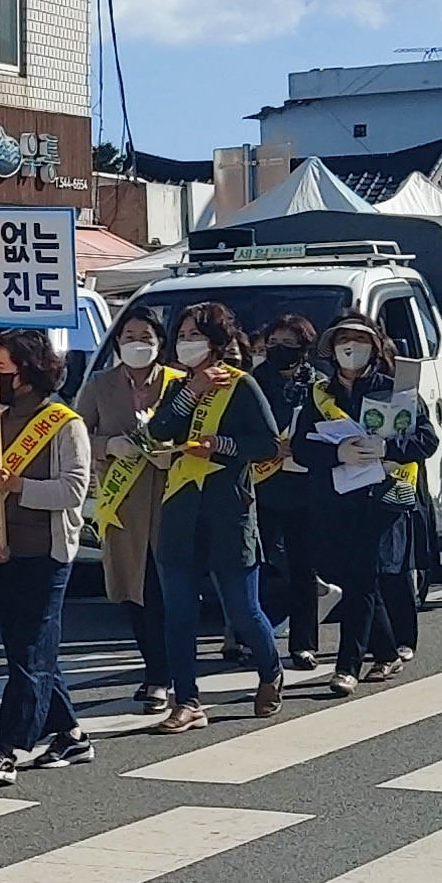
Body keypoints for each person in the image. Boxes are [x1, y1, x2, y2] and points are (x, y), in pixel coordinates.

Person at [143, 300, 284, 730]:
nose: (186, 344)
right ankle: (187, 699)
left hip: (229, 508)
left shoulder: (242, 386)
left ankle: (270, 670)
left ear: (217, 342)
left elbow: (267, 444)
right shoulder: (177, 388)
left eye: (195, 336)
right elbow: (159, 430)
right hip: (180, 507)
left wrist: (220, 446)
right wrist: (192, 392)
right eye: (182, 336)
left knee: (242, 607)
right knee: (178, 610)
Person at [0, 326, 93, 782]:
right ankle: (71, 734)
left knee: (32, 653)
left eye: (1, 367)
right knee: (28, 651)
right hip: (1, 552)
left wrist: (19, 486)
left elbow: (73, 490)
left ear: (27, 372)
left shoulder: (65, 425)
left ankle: (6, 747)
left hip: (46, 554)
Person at [306, 313, 439, 687]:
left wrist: (389, 446)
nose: (351, 347)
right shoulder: (320, 394)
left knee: (363, 576)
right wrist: (338, 454)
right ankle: (385, 651)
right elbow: (302, 447)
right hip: (337, 497)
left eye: (360, 339)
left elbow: (427, 440)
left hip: (385, 495)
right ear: (331, 348)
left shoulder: (395, 390)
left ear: (375, 347)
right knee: (350, 576)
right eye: (343, 339)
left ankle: (346, 667)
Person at [78, 305, 178, 714]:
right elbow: (78, 433)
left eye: (146, 337)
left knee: (168, 589)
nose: (138, 344)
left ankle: (167, 673)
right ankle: (155, 671)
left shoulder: (178, 383)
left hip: (172, 496)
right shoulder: (101, 384)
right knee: (134, 590)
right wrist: (108, 446)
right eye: (129, 336)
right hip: (122, 503)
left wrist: (171, 450)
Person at [247, 314, 332, 671]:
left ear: (304, 347)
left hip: (304, 484)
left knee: (302, 566)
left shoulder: (319, 384)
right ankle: (258, 638)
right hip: (260, 483)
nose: (279, 350)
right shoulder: (253, 382)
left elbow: (332, 429)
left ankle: (304, 644)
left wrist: (302, 445)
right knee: (262, 564)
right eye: (274, 343)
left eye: (288, 344)